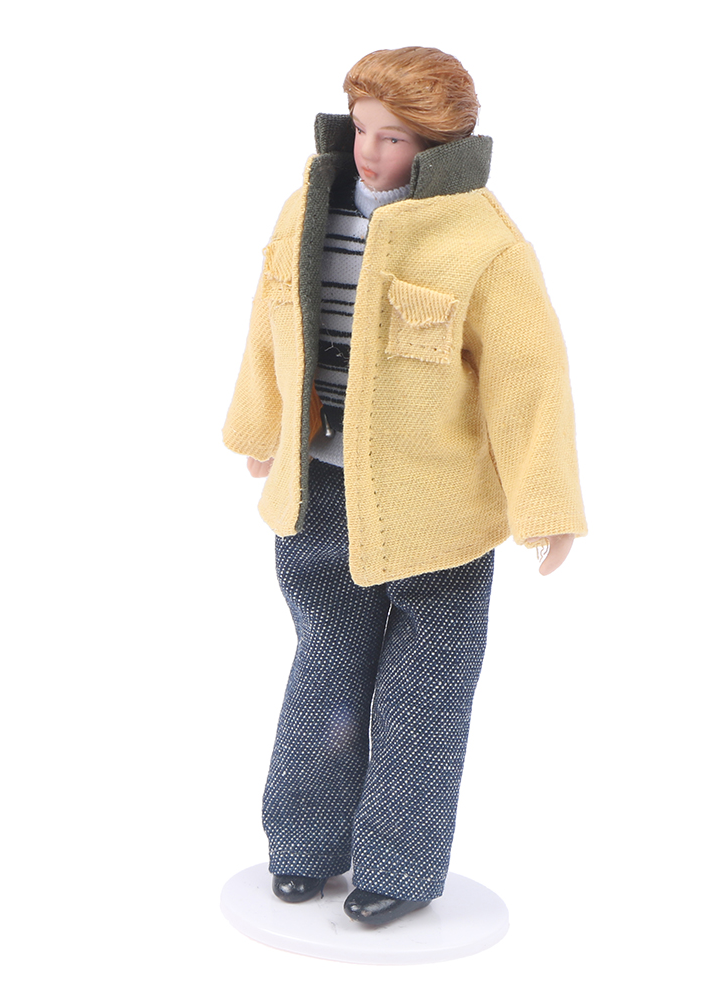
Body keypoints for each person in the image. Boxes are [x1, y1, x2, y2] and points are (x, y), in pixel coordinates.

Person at [224, 46, 586, 926]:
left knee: (426, 696)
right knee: (325, 670)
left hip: (443, 515)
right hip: (321, 494)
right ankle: (303, 844)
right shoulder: (305, 212)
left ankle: (400, 865)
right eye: (362, 130)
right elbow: (270, 325)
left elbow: (529, 382)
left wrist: (545, 505)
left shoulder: (484, 244)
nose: (369, 152)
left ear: (435, 147)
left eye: (393, 138)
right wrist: (259, 432)